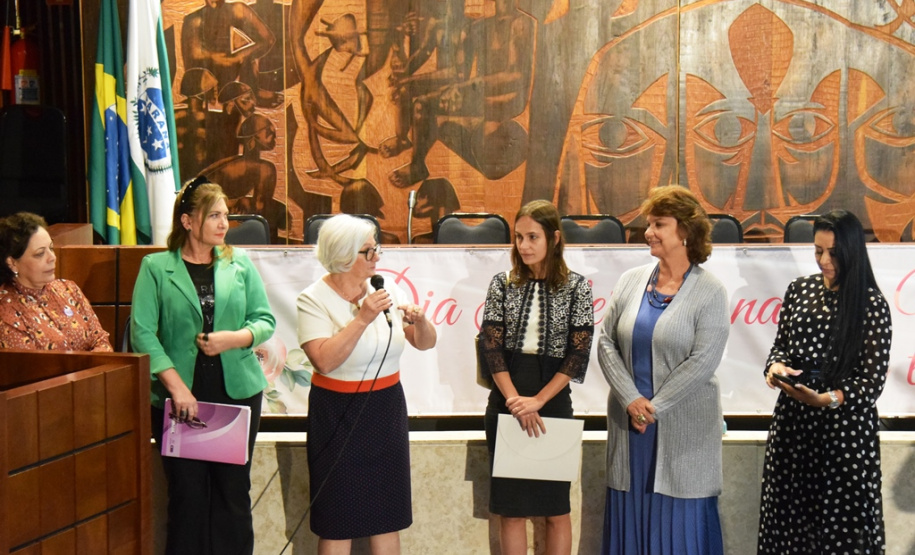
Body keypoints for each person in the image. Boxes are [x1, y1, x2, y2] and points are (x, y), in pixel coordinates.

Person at [130, 177, 275, 555]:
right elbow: (143, 333)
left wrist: (234, 338)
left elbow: (264, 321)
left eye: (225, 215)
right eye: (213, 215)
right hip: (181, 397)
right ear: (187, 221)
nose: (223, 224)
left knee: (232, 494)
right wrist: (177, 389)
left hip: (236, 390)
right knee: (187, 496)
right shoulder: (156, 267)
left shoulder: (239, 263)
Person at [597, 185, 729, 555]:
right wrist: (631, 400)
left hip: (681, 434)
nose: (648, 232)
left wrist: (653, 408)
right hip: (631, 430)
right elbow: (606, 342)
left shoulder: (711, 291)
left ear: (685, 231)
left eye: (659, 224)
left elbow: (703, 361)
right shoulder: (631, 281)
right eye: (649, 223)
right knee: (632, 523)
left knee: (680, 530)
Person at [296, 214, 436, 554]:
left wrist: (421, 321)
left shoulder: (385, 287)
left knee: (387, 513)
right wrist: (362, 318)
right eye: (368, 251)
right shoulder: (312, 299)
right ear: (344, 256)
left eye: (377, 250)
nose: (377, 258)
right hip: (337, 413)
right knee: (337, 515)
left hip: (386, 409)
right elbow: (324, 361)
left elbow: (424, 343)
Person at [757, 209, 892, 554]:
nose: (824, 260)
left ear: (851, 252)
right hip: (793, 428)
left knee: (840, 530)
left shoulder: (871, 304)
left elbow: (871, 381)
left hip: (843, 436)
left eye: (833, 253)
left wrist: (827, 399)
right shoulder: (799, 290)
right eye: (818, 251)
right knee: (791, 525)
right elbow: (780, 346)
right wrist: (775, 368)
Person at [477, 200, 594, 555]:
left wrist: (539, 401)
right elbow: (491, 348)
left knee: (555, 509)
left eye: (532, 237)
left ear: (554, 239)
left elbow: (578, 354)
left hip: (553, 401)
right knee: (510, 510)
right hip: (506, 398)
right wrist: (515, 401)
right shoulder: (502, 284)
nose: (524, 245)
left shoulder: (577, 288)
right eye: (518, 237)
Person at [0, 212, 112, 351]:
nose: (52, 257)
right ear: (12, 263)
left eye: (51, 248)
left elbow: (101, 340)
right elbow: (32, 368)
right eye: (40, 254)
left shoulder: (68, 289)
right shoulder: (5, 312)